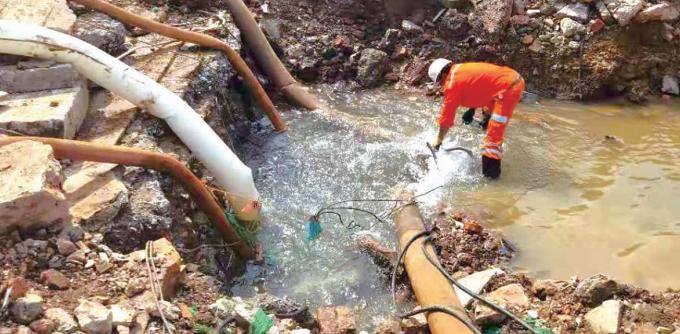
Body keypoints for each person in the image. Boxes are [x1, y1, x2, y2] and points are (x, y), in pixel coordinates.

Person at [428, 59, 525, 179]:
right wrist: (472, 109)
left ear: (443, 75)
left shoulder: (451, 84)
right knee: (487, 113)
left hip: (508, 89)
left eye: (439, 82)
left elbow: (446, 118)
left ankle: (491, 178)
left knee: (493, 138)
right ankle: (486, 126)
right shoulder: (459, 69)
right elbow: (477, 86)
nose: (440, 85)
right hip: (510, 78)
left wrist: (438, 140)